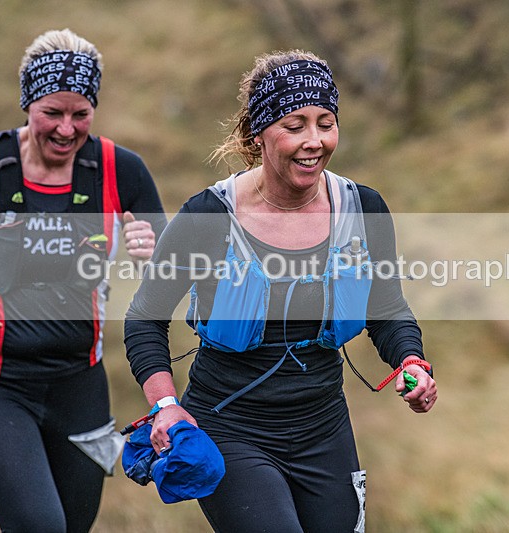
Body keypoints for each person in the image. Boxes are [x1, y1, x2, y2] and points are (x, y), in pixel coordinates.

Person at [124, 49, 437, 532]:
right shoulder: (210, 216)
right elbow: (145, 316)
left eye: (325, 122)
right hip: (230, 426)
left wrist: (411, 361)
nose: (314, 141)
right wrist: (166, 407)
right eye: (295, 125)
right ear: (259, 133)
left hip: (324, 427)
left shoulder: (362, 209)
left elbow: (386, 306)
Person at [0, 29, 167, 532]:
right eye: (53, 112)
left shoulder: (120, 171)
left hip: (79, 384)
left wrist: (151, 257)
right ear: (27, 104)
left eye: (81, 114)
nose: (68, 129)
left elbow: (170, 279)